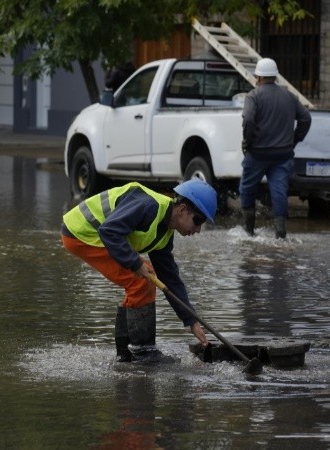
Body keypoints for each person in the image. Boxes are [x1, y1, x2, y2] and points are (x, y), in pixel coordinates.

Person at [61, 180, 213, 363]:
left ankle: (124, 353)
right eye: (198, 221)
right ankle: (143, 352)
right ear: (181, 210)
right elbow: (109, 231)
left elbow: (170, 279)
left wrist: (191, 320)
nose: (198, 230)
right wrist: (134, 262)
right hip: (82, 233)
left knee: (140, 281)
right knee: (143, 279)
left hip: (94, 234)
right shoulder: (148, 206)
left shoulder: (165, 233)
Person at [240, 58, 312, 238]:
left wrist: (247, 142)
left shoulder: (253, 96)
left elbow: (248, 120)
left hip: (257, 153)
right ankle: (281, 234)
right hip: (283, 154)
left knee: (247, 188)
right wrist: (295, 139)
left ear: (258, 77)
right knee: (279, 191)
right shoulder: (289, 96)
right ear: (275, 76)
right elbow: (306, 118)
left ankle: (249, 231)